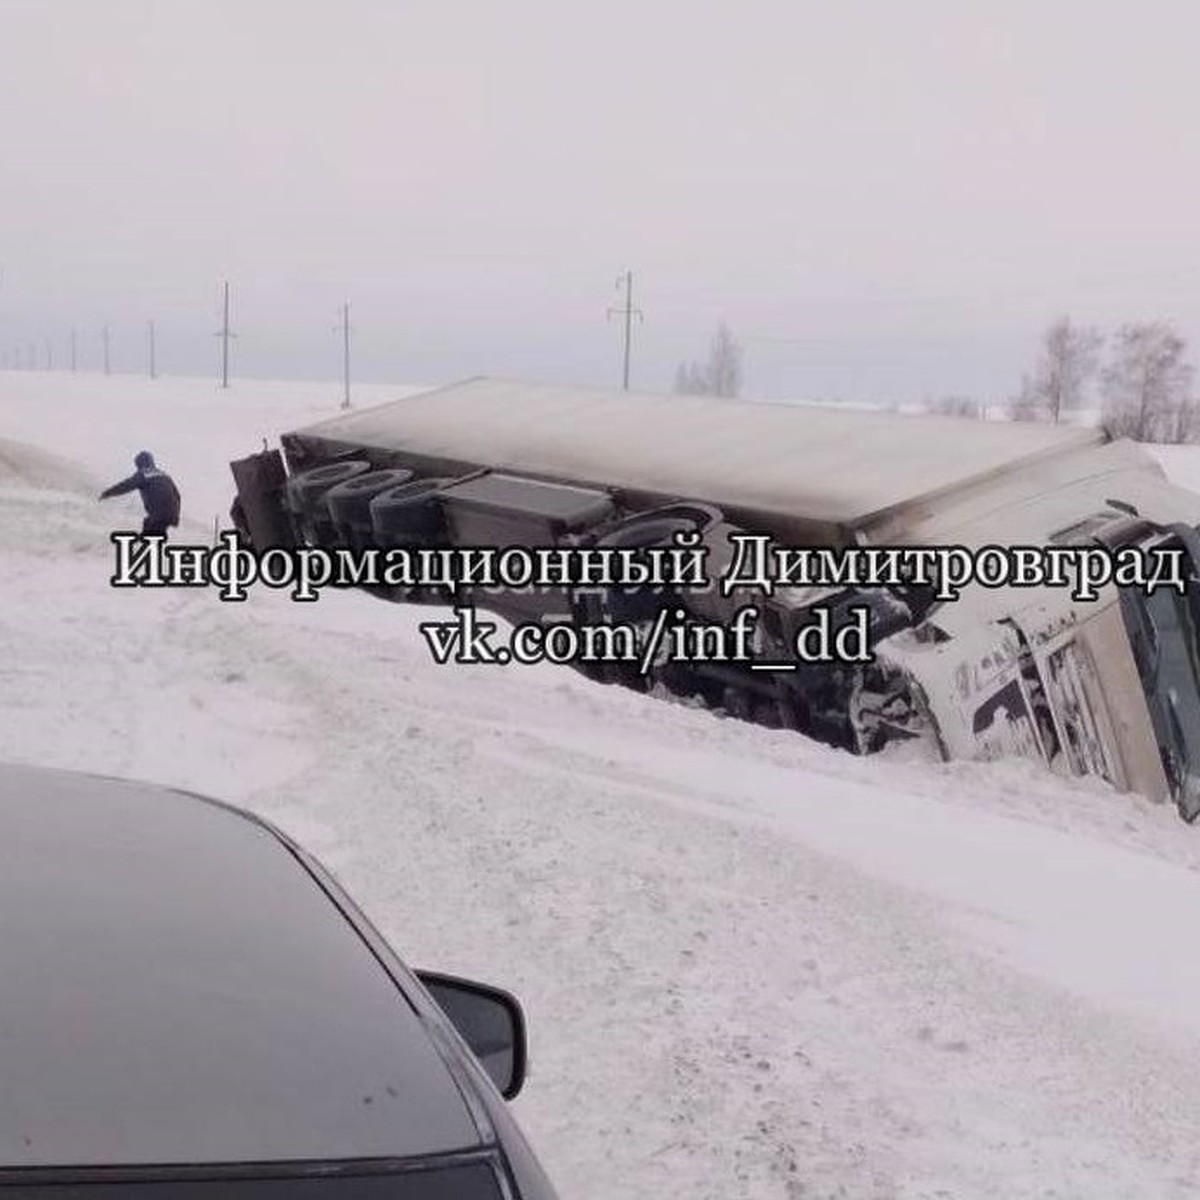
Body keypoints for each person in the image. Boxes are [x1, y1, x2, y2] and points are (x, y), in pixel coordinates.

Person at [99, 451, 182, 537]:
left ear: (139, 464)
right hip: (171, 513)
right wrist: (175, 516)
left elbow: (126, 485)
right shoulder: (165, 475)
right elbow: (178, 495)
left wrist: (107, 493)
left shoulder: (143, 474)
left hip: (158, 515)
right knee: (150, 525)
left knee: (149, 534)